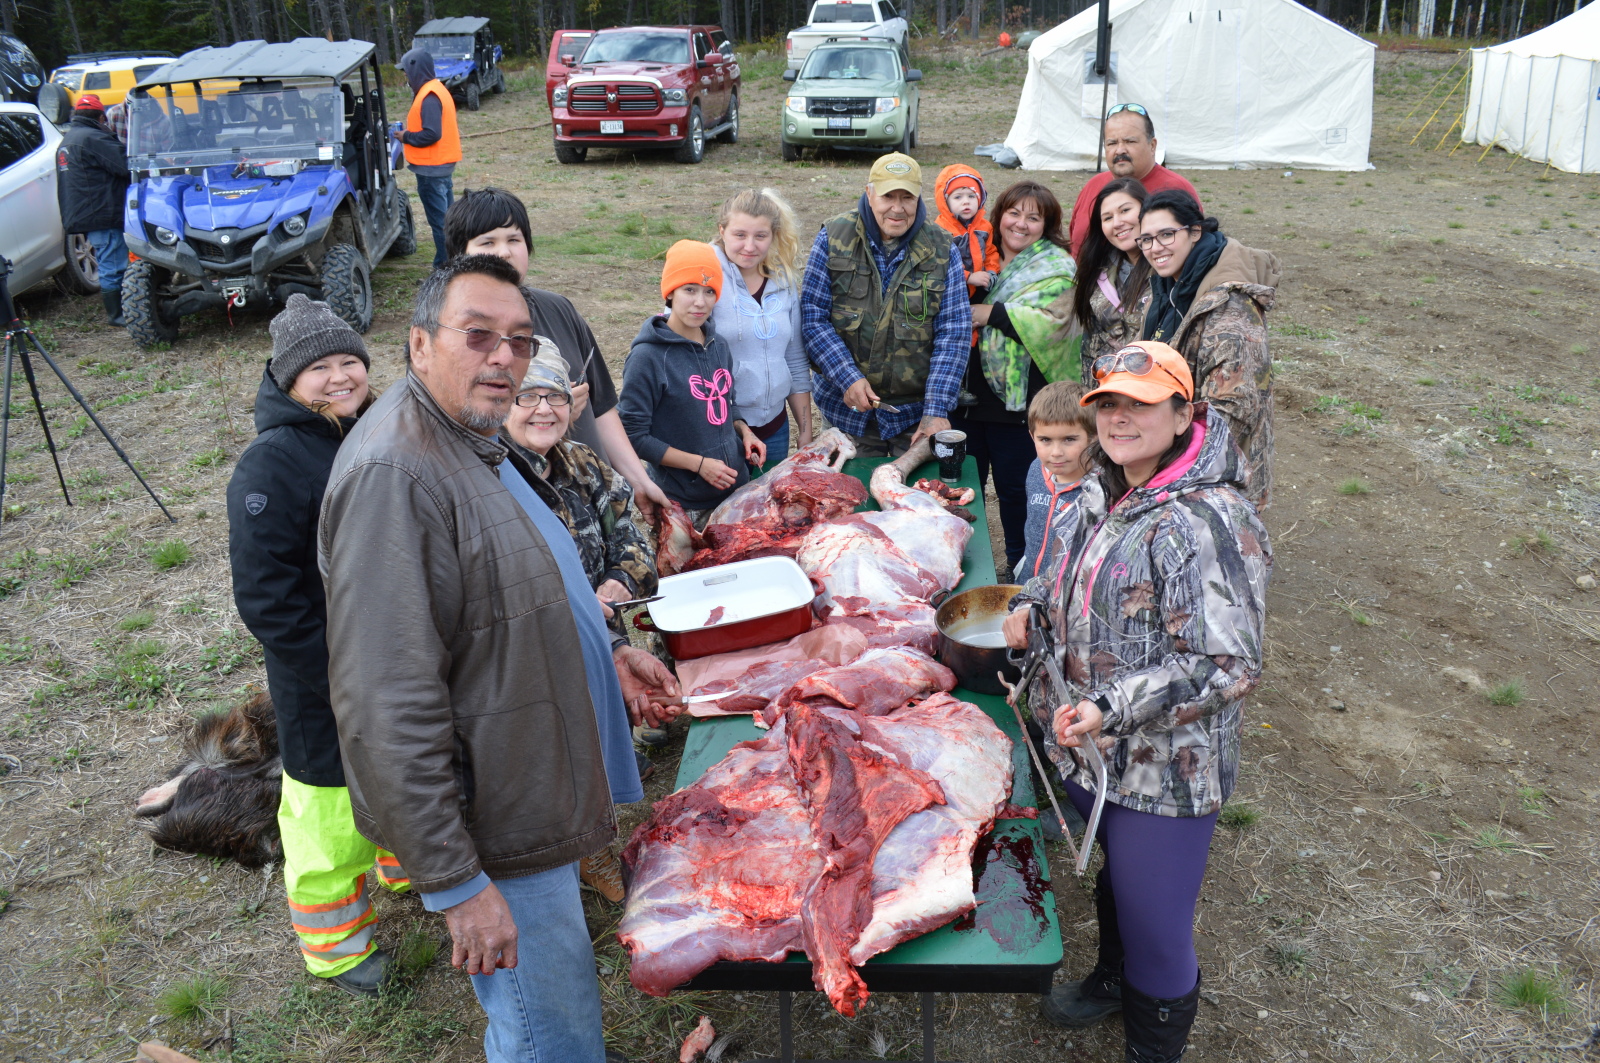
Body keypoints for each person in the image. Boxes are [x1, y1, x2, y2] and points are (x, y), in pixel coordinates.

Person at [320, 255, 682, 1063]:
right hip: (498, 818)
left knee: (559, 1007)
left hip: (532, 780)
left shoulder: (471, 439)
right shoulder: (397, 476)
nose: (504, 358)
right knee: (541, 1023)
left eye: (519, 340)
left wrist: (609, 653)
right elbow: (386, 703)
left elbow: (523, 592)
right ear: (418, 345)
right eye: (477, 335)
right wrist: (453, 881)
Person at [1002, 341, 1270, 1063]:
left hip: (1165, 767)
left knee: (1157, 924)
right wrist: (1029, 602)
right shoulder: (1103, 484)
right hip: (1091, 745)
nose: (1120, 418)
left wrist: (1113, 706)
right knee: (1119, 881)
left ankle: (1152, 1042)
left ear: (1184, 412)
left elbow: (1228, 663)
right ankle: (1114, 977)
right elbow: (1056, 569)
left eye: (1142, 403)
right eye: (1109, 403)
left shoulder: (1209, 519)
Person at [225, 295, 400, 996]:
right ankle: (338, 947)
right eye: (319, 367)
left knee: (402, 764)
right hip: (321, 678)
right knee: (327, 809)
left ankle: (404, 865)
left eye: (349, 361)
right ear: (288, 379)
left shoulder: (379, 426)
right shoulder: (270, 466)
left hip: (396, 656)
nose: (339, 377)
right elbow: (267, 597)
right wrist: (336, 668)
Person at [503, 343, 660, 906]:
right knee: (547, 757)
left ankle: (592, 845)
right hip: (529, 652)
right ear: (503, 401)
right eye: (527, 396)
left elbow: (636, 539)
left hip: (598, 637)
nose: (542, 410)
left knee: (595, 744)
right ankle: (561, 858)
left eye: (554, 396)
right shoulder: (489, 480)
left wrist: (616, 586)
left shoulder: (584, 463)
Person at [442, 186, 670, 517]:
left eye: (514, 240)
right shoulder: (454, 336)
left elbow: (603, 408)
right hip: (518, 513)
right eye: (488, 242)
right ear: (460, 256)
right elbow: (456, 444)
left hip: (593, 502)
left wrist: (639, 481)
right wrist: (546, 414)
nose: (504, 252)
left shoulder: (559, 309)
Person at [800, 152, 971, 457]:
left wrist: (935, 409)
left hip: (915, 419)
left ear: (919, 198)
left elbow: (954, 333)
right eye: (888, 195)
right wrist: (847, 376)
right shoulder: (833, 237)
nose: (897, 208)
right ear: (869, 193)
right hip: (847, 414)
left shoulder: (943, 249)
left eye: (907, 197)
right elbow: (813, 318)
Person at [959, 180, 1079, 573]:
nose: (1021, 224)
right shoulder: (973, 250)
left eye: (1034, 217)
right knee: (962, 490)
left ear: (1047, 225)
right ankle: (960, 565)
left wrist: (989, 313)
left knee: (1018, 493)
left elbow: (1056, 323)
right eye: (1014, 213)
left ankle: (1019, 568)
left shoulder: (1058, 267)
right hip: (965, 397)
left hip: (1021, 402)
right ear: (998, 215)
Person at [1138, 190, 1279, 508]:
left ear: (1195, 231)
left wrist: (1168, 464)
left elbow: (1233, 410)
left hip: (1216, 480)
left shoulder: (1230, 306)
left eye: (1166, 234)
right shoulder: (1170, 287)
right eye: (1146, 239)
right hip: (1174, 459)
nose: (1155, 247)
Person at [618, 240, 766, 522]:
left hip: (735, 491)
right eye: (689, 290)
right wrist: (698, 465)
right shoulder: (647, 358)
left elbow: (726, 403)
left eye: (710, 291)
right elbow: (632, 436)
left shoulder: (719, 346)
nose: (700, 302)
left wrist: (744, 432)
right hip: (684, 504)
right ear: (670, 292)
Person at [711, 188, 813, 461]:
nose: (749, 246)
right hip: (719, 431)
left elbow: (794, 357)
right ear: (722, 231)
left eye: (760, 236)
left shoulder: (784, 281)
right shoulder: (702, 276)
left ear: (773, 236)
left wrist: (805, 431)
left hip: (774, 429)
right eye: (739, 235)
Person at [1067, 104, 1202, 259]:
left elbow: (1197, 253)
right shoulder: (1093, 186)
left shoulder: (1176, 189)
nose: (1120, 150)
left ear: (1152, 146)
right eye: (1112, 143)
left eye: (1130, 141)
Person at [55, 94, 129, 327]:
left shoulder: (69, 139)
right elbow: (125, 166)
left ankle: (118, 311)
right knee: (113, 263)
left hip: (86, 212)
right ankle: (117, 315)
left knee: (109, 259)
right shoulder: (94, 137)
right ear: (100, 117)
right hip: (102, 212)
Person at [1072, 177, 1154, 382]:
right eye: (1107, 218)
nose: (1117, 223)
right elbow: (1090, 351)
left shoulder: (1169, 271)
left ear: (1147, 210)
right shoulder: (1096, 273)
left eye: (1125, 210)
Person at [1016, 380, 1095, 584]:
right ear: (1032, 436)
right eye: (1045, 440)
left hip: (1065, 594)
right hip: (1027, 580)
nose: (1056, 453)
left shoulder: (1101, 490)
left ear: (1093, 437)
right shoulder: (1036, 469)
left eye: (1069, 439)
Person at [396, 48, 461, 268]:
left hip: (431, 170)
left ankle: (444, 269)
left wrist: (405, 136)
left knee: (440, 224)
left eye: (406, 71)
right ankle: (457, 262)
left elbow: (432, 134)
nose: (405, 76)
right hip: (441, 166)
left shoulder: (429, 96)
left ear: (415, 68)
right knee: (449, 222)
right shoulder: (436, 89)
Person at [932, 165, 1001, 300]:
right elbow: (940, 263)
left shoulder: (985, 227)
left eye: (971, 196)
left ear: (980, 198)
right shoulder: (941, 230)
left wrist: (992, 271)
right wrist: (968, 277)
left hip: (978, 287)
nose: (966, 202)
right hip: (951, 290)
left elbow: (990, 252)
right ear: (945, 201)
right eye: (958, 197)